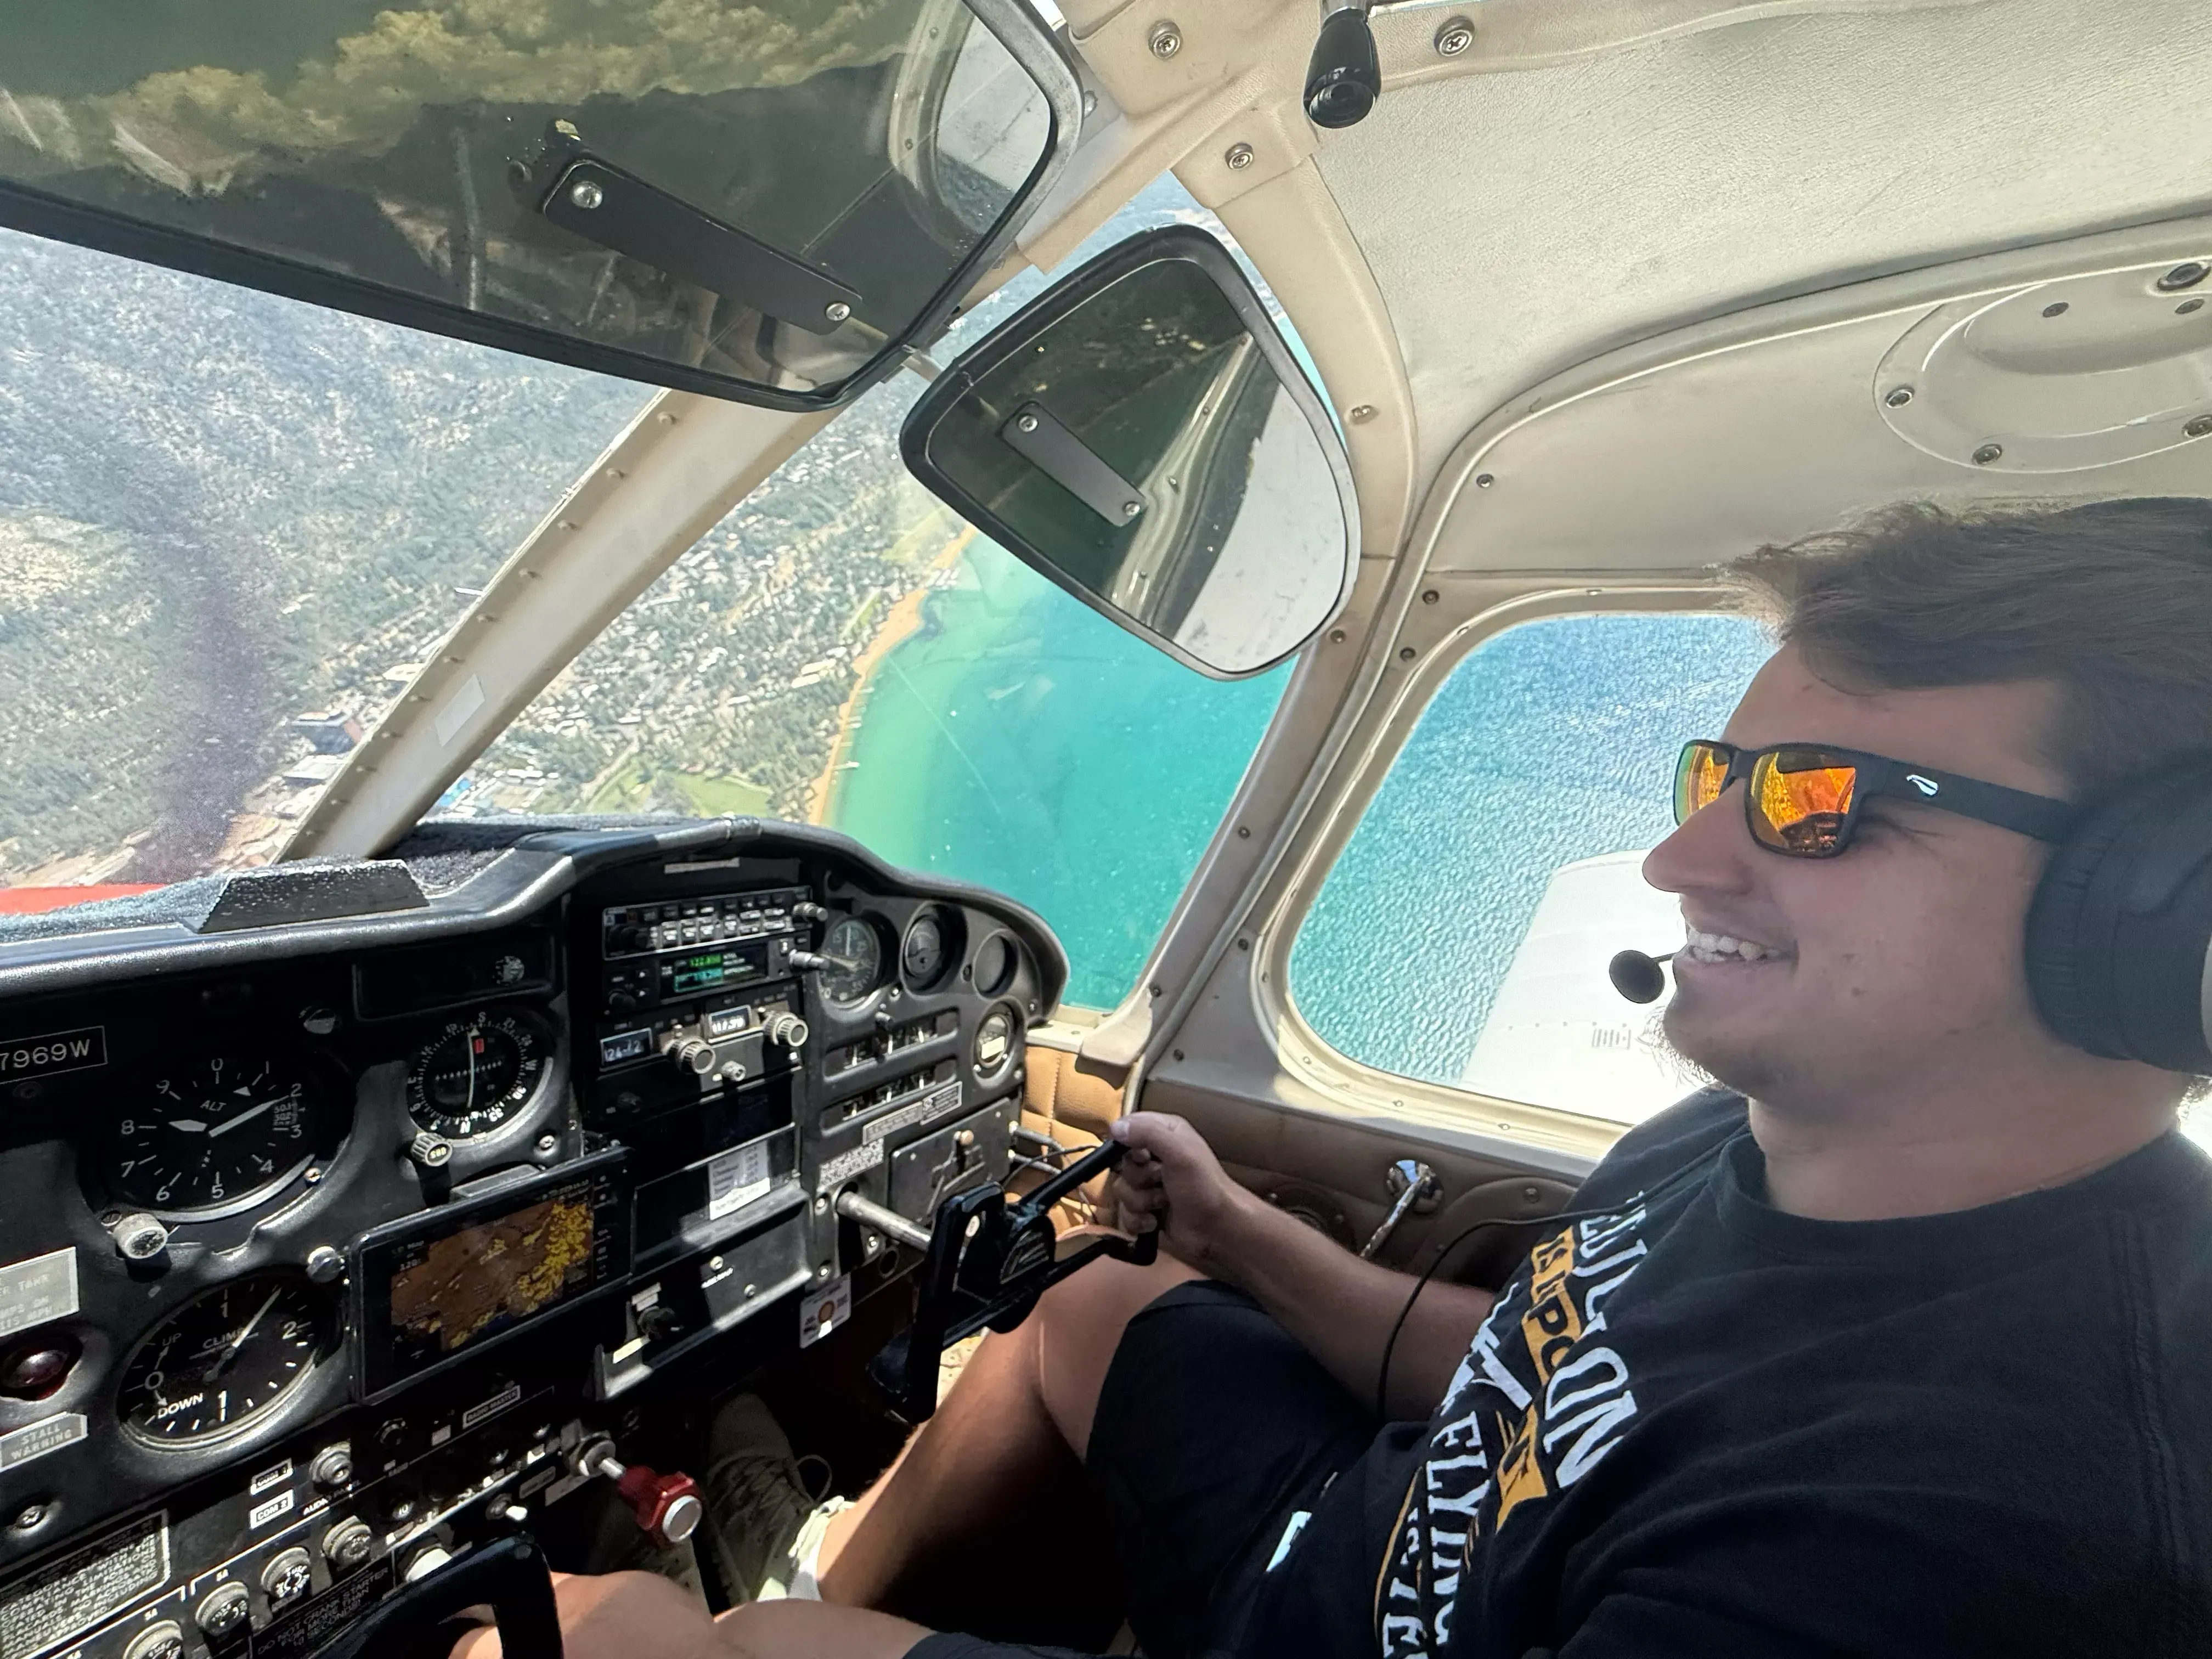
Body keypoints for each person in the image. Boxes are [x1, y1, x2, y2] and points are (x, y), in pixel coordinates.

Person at [456, 498, 2212, 1658]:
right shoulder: (1753, 1139)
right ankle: (838, 1580)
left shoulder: (1979, 1535)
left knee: (629, 1640)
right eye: (1719, 777)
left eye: (1821, 803)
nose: (1682, 867)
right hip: (1353, 1550)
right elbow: (1553, 1370)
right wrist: (1227, 1238)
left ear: (2153, 915)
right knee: (1089, 1312)